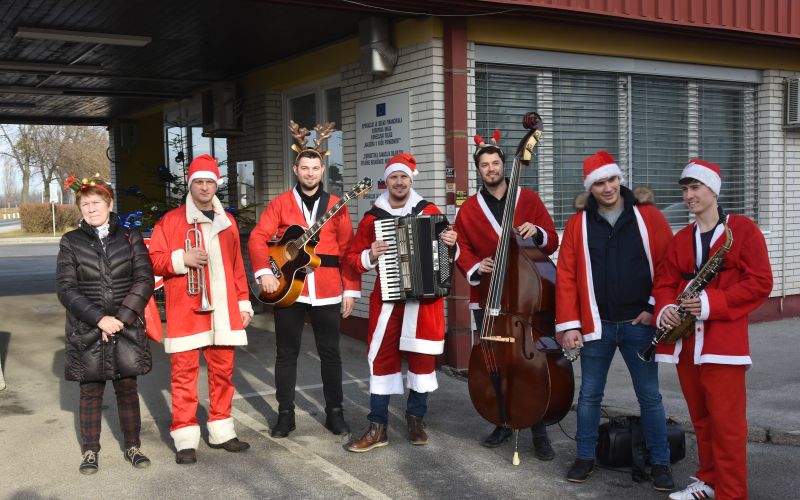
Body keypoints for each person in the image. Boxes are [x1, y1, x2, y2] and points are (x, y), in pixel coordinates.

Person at [555, 151, 675, 490]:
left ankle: (661, 461)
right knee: (590, 394)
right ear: (590, 188)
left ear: (619, 179)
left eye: (612, 179)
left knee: (649, 396)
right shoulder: (578, 223)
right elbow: (565, 276)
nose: (608, 187)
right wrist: (569, 324)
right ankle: (585, 456)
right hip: (597, 325)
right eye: (599, 183)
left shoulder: (647, 215)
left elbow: (668, 263)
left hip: (640, 324)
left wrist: (654, 306)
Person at [654, 160, 772, 500]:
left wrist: (710, 303)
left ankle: (732, 493)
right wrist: (665, 309)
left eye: (695, 188)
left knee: (728, 425)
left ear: (713, 190)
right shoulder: (680, 239)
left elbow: (761, 282)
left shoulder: (743, 230)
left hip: (724, 345)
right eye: (685, 190)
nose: (689, 196)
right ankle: (708, 481)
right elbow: (664, 282)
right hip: (687, 345)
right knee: (702, 419)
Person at [247, 121, 360, 438]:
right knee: (286, 354)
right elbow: (258, 238)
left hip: (327, 288)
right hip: (289, 290)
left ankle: (335, 412)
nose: (310, 173)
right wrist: (265, 272)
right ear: (296, 169)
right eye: (305, 167)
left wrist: (350, 289)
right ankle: (285, 414)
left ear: (323, 170)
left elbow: (349, 249)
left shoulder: (337, 205)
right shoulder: (281, 203)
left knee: (330, 354)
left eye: (315, 168)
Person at [453, 130, 559, 459]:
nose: (491, 169)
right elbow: (460, 247)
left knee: (532, 366)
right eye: (484, 165)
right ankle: (502, 419)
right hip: (488, 297)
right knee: (494, 363)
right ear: (479, 170)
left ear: (504, 165)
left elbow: (552, 239)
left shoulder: (528, 199)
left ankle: (538, 427)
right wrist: (474, 264)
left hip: (527, 300)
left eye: (496, 163)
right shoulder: (469, 209)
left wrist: (536, 232)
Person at [345, 153, 457, 452]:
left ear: (411, 179)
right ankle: (377, 426)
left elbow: (446, 260)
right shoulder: (373, 218)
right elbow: (353, 260)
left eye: (403, 177)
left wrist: (451, 245)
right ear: (387, 180)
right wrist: (371, 254)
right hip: (388, 300)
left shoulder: (429, 211)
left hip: (424, 302)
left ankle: (416, 418)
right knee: (381, 359)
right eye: (394, 177)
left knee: (421, 360)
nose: (398, 182)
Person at [148, 154, 254, 464]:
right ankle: (185, 437)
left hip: (223, 310)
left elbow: (237, 266)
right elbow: (153, 259)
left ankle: (221, 430)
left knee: (223, 374)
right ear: (191, 185)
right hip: (187, 310)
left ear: (215, 186)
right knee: (183, 376)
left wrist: (244, 302)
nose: (205, 187)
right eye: (199, 182)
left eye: (210, 182)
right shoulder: (171, 221)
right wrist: (182, 259)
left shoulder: (228, 220)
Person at [56, 175, 154, 474]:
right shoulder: (71, 241)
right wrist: (99, 319)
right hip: (87, 329)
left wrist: (120, 319)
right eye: (85, 204)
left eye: (96, 202)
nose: (91, 208)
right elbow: (66, 288)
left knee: (127, 387)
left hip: (125, 327)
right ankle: (90, 451)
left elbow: (144, 279)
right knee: (90, 391)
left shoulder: (129, 237)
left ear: (110, 204)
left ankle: (133, 445)